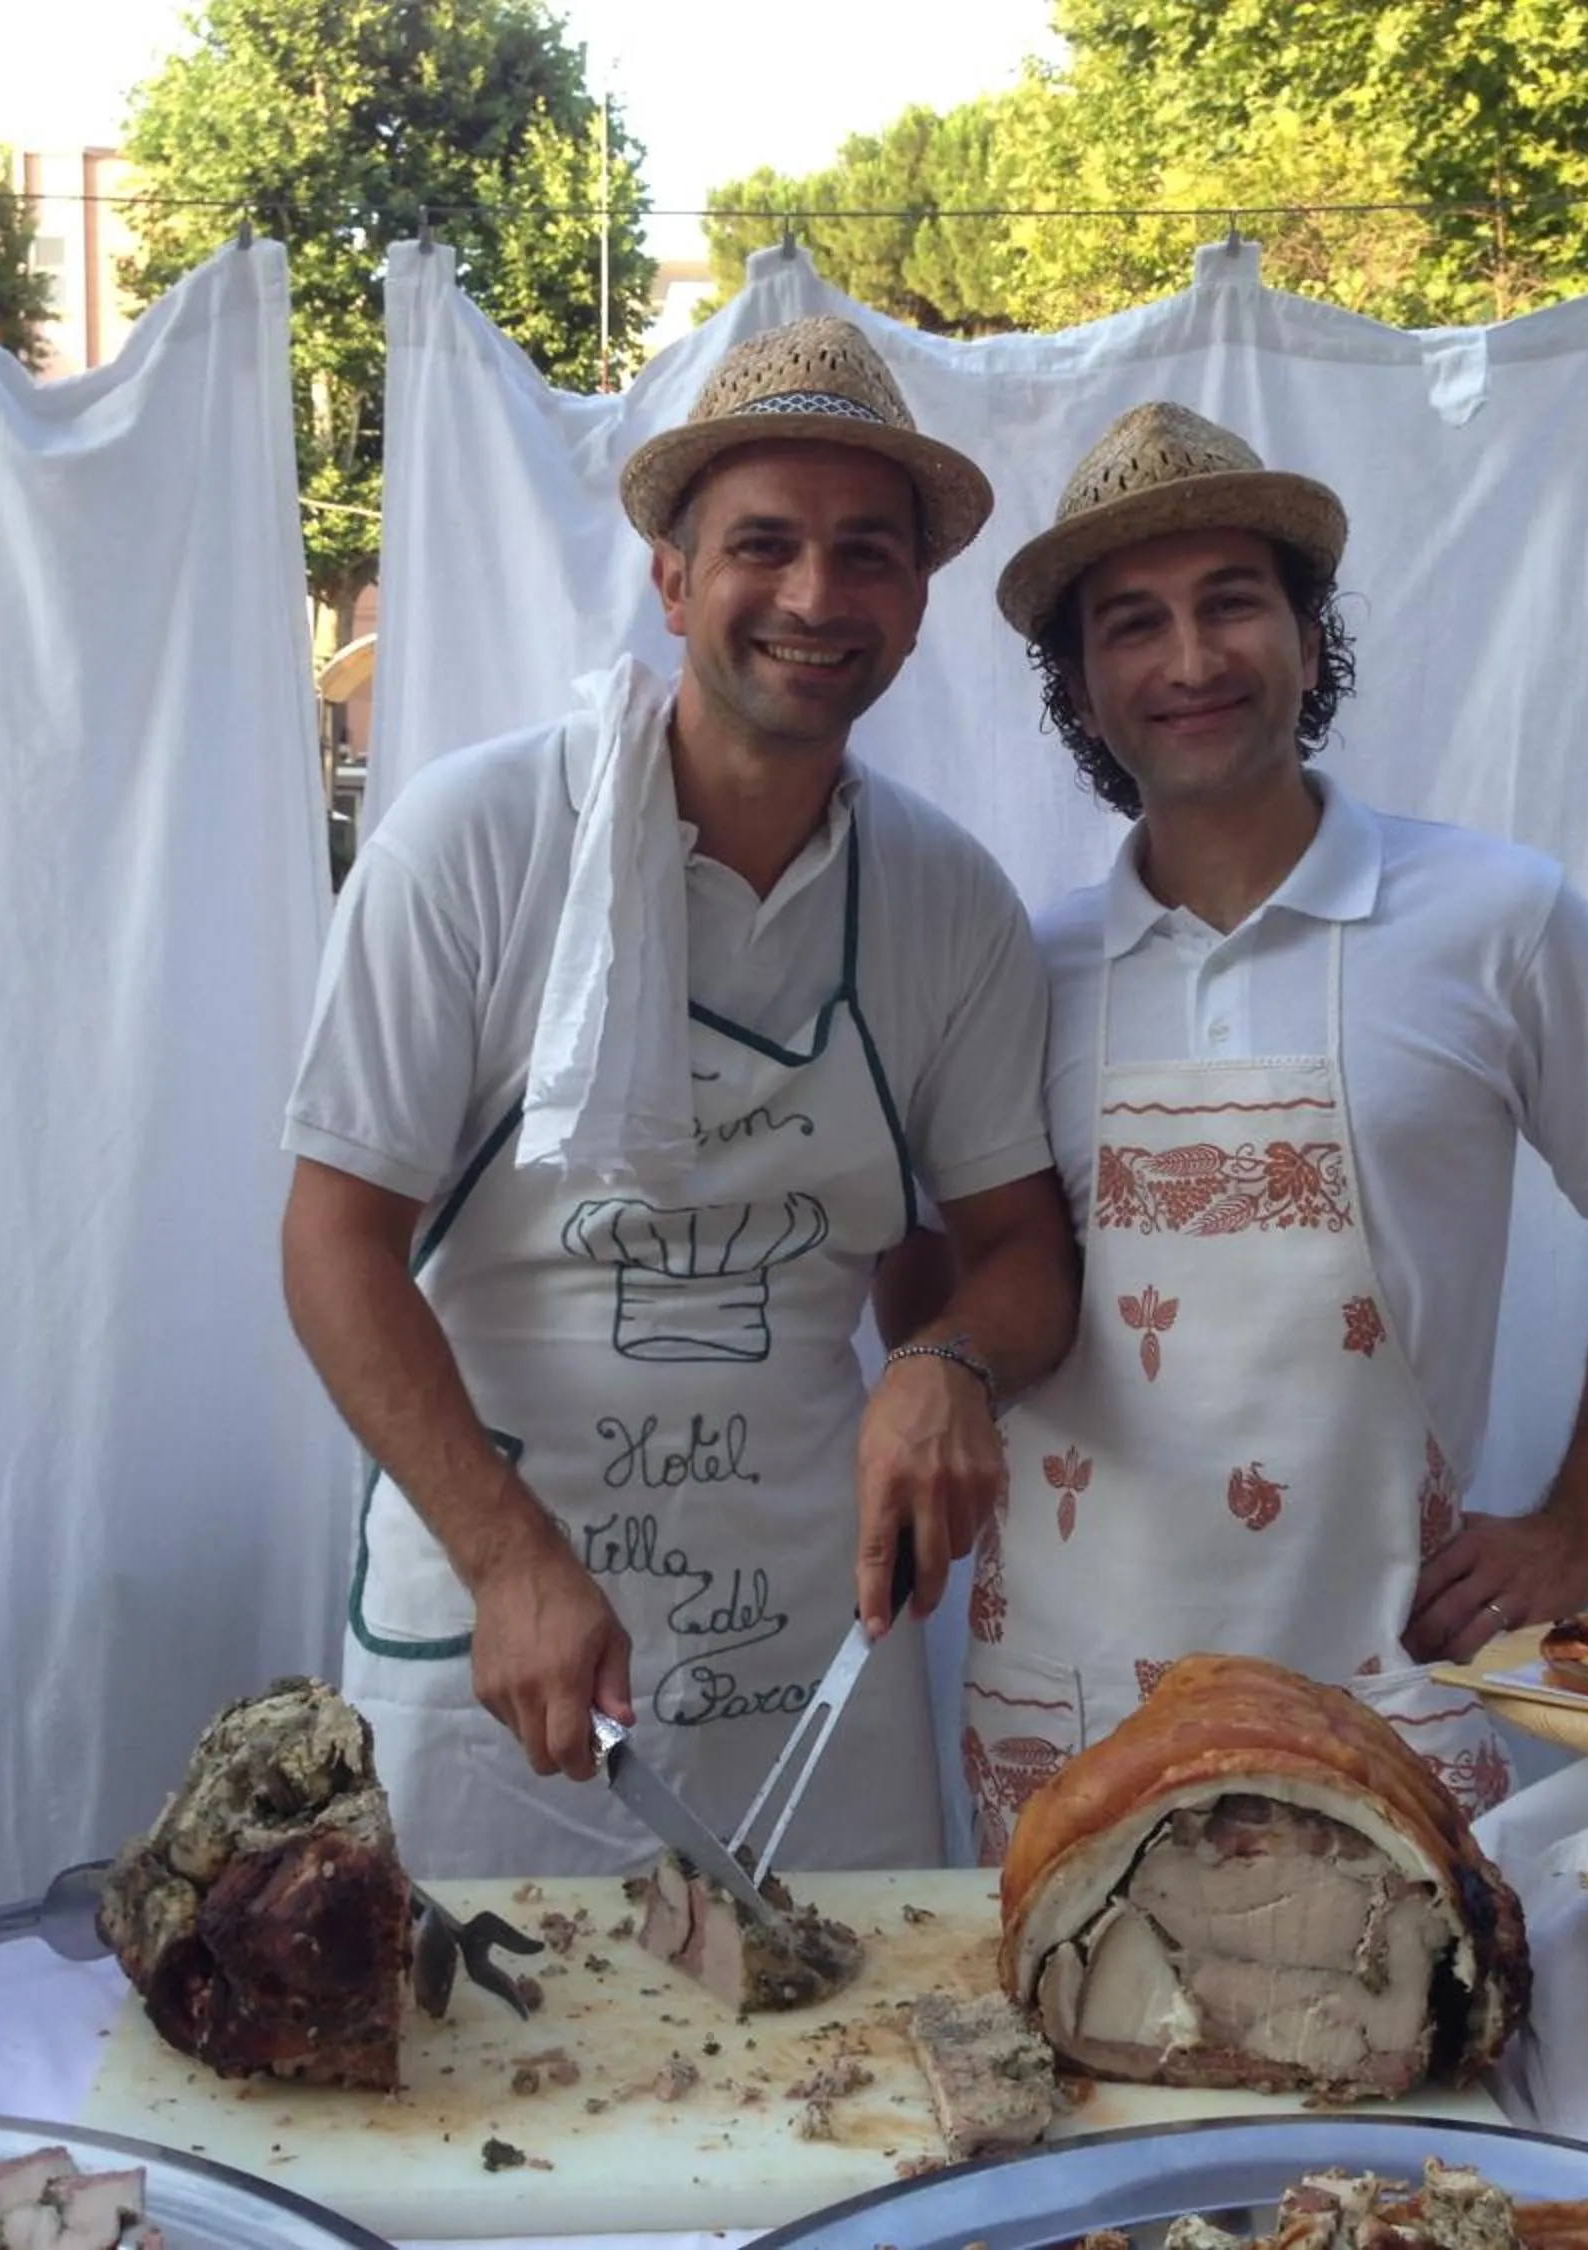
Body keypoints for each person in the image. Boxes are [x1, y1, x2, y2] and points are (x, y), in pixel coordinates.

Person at [279, 317, 1079, 1877]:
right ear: (671, 577)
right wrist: (509, 1559)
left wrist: (948, 1358)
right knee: (482, 2089)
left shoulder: (946, 902)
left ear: (916, 602)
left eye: (866, 555)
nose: (813, 596)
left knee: (842, 2098)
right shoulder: (477, 842)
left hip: (809, 1655)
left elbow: (1024, 1252)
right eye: (762, 544)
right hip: (506, 1648)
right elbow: (332, 1245)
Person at [948, 402, 1588, 1848]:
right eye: (1132, 625)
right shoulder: (1023, 965)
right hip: (1067, 1706)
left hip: (1380, 1687)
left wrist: (1582, 1519)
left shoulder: (1501, 921)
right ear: (1081, 687)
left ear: (1311, 640)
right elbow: (964, 1271)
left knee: (1389, 2069)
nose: (1189, 661)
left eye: (1231, 604)